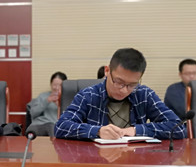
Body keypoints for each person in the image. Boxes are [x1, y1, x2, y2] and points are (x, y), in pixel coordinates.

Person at [54, 48, 185, 140]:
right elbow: (61, 127)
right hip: (97, 161)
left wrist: (136, 130)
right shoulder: (88, 95)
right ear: (107, 71)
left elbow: (178, 128)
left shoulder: (144, 94)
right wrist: (97, 131)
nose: (124, 90)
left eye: (132, 84)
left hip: (135, 160)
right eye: (119, 82)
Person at [26, 71, 67, 137]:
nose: (56, 88)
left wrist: (59, 105)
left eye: (60, 85)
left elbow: (70, 117)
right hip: (40, 125)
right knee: (49, 126)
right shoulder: (43, 96)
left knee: (53, 127)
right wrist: (47, 101)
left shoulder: (67, 99)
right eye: (54, 85)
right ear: (51, 84)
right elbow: (32, 113)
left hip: (56, 127)